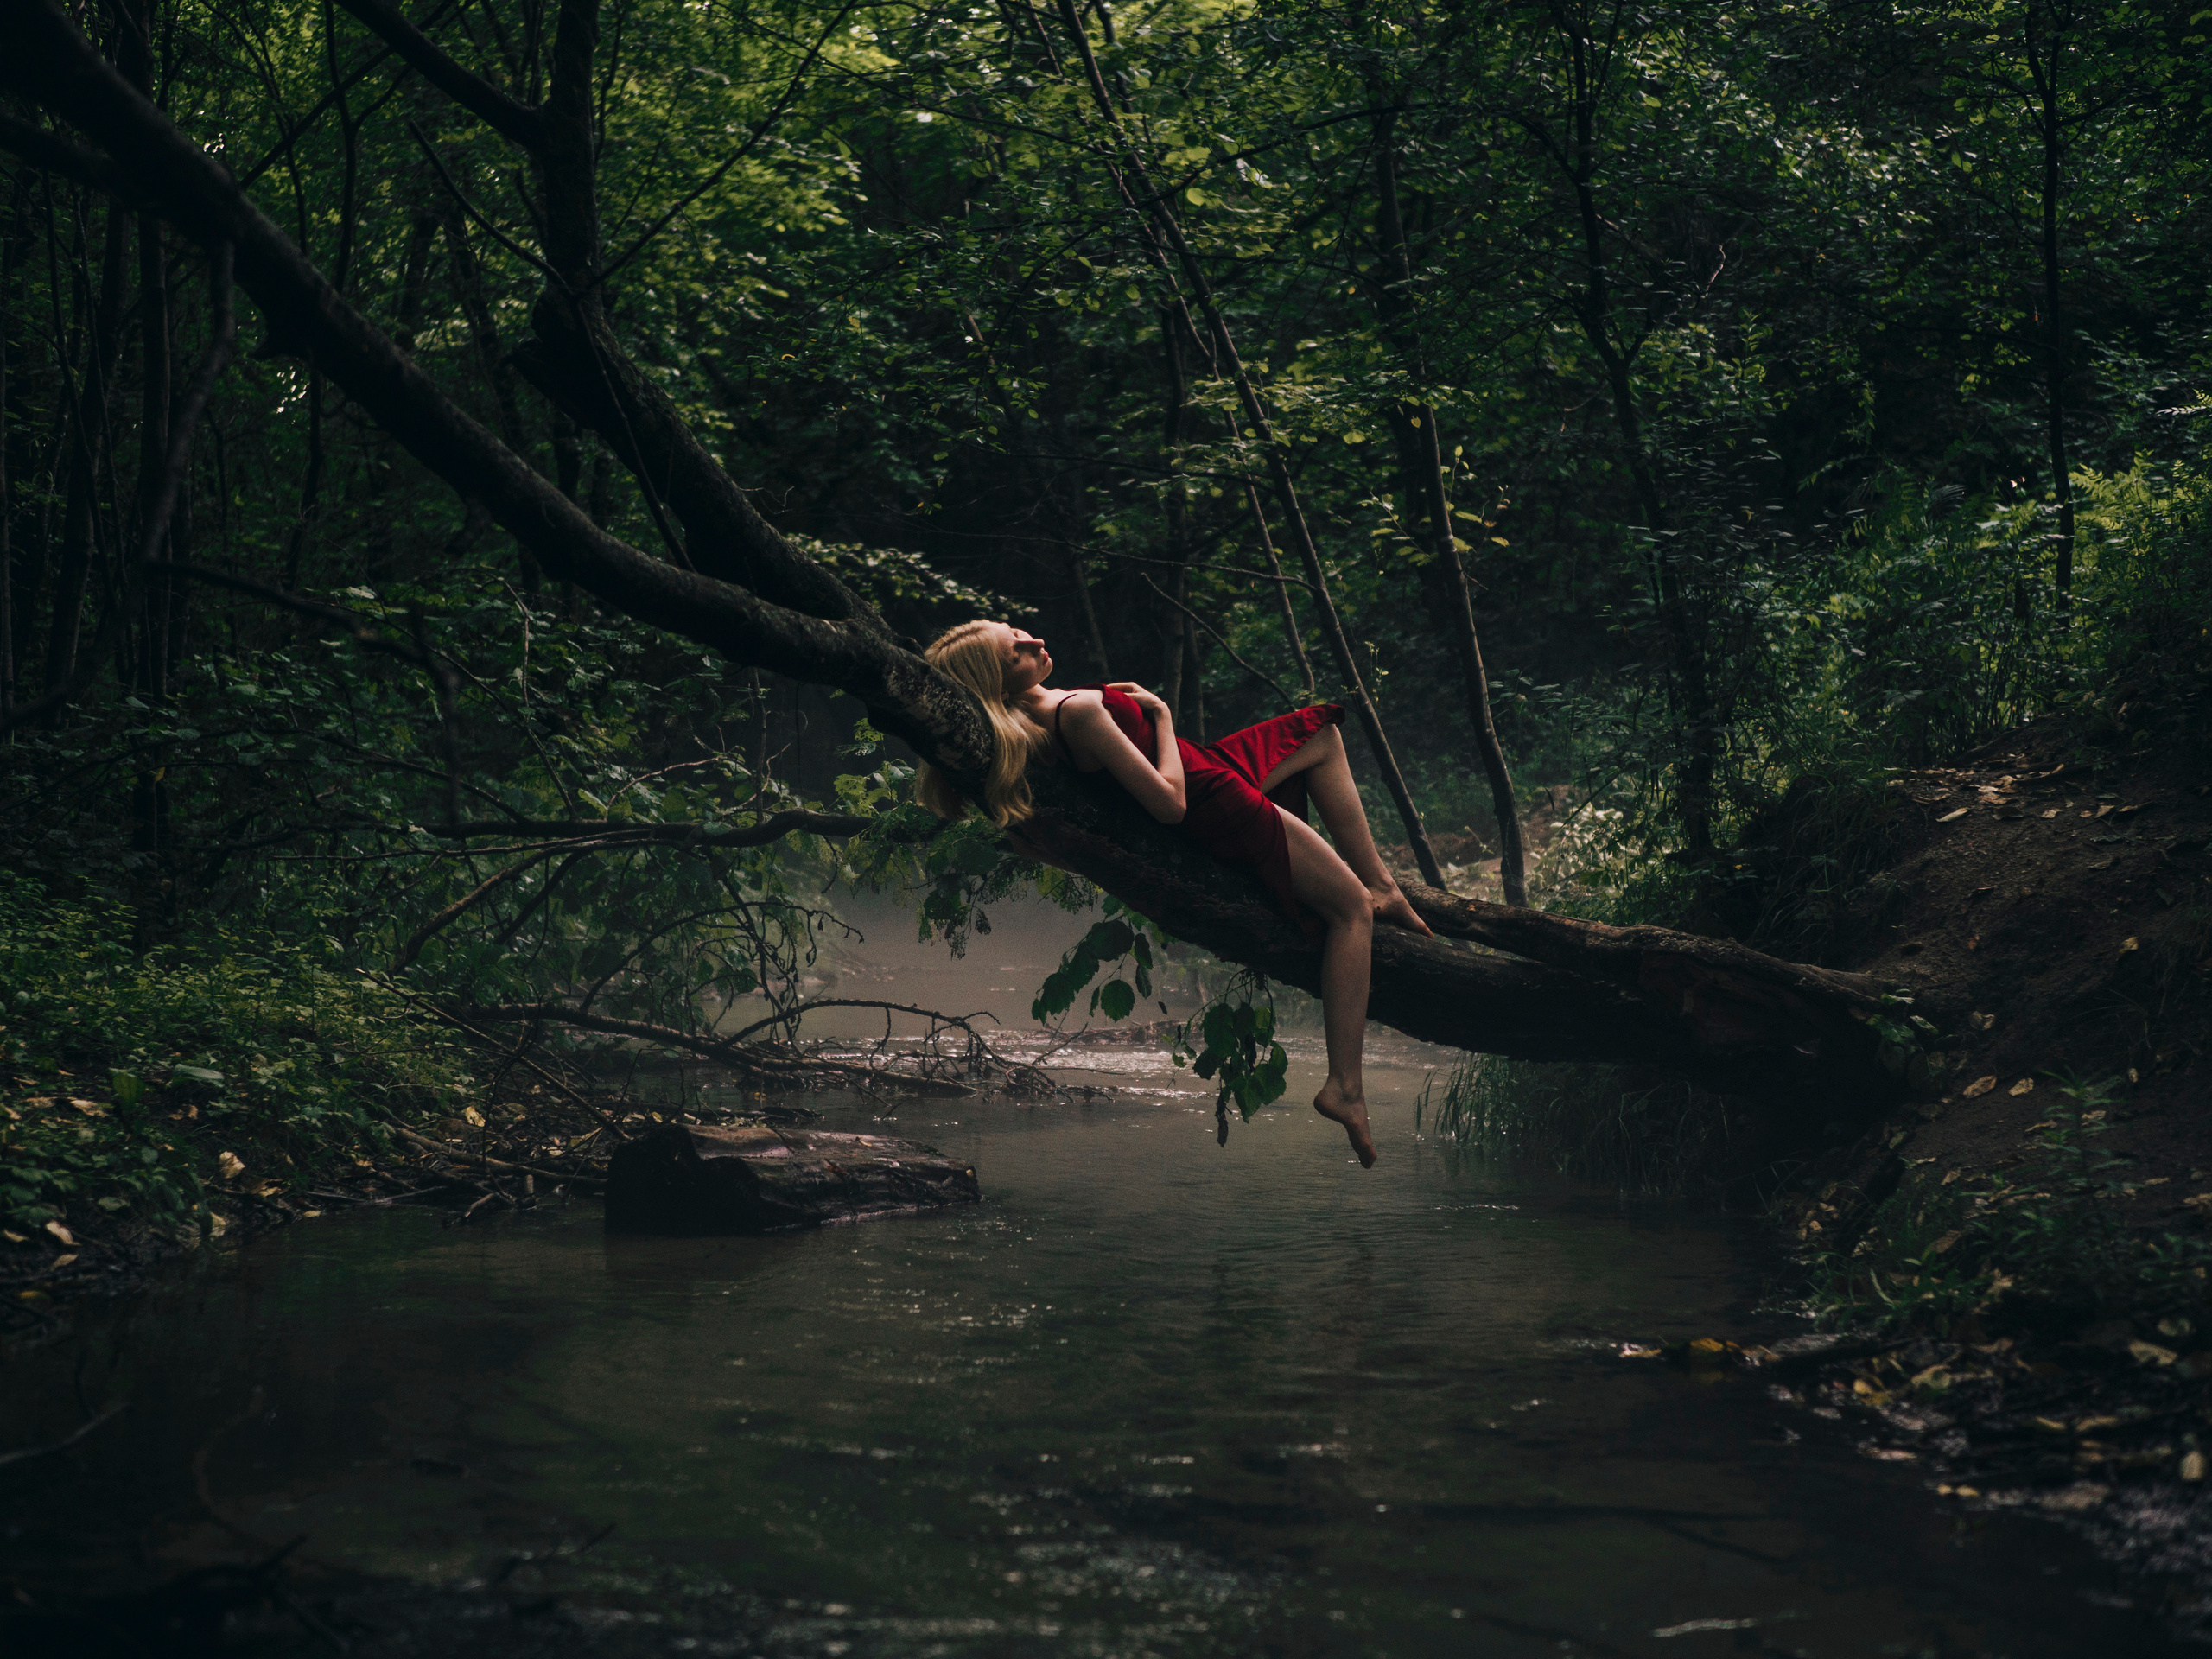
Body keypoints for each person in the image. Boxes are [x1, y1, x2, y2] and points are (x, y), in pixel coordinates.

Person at [913, 620, 1432, 1166]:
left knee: (1322, 735)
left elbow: (1034, 842)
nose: (1033, 641)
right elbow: (1170, 805)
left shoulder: (1033, 728)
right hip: (1211, 799)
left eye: (1016, 630)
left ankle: (1383, 883)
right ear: (997, 685)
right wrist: (1161, 714)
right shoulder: (1073, 715)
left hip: (1204, 763)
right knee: (1350, 912)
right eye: (1015, 653)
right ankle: (1344, 1086)